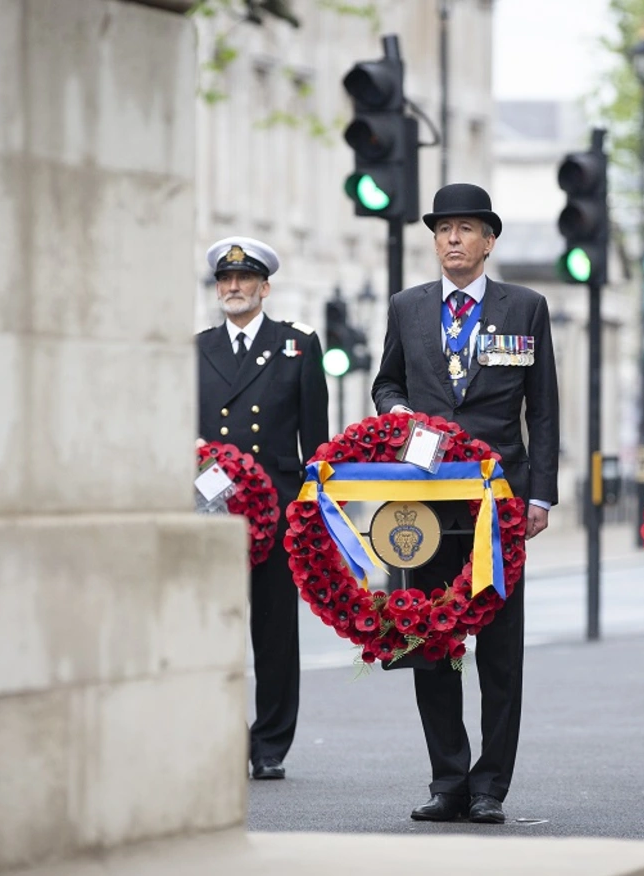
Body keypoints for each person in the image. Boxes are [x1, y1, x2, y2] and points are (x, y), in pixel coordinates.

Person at [371, 184, 560, 824]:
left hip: (499, 500)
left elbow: (545, 408)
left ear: (489, 241)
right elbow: (387, 380)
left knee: (500, 648)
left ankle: (489, 787)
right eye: (443, 228)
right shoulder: (408, 306)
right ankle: (448, 778)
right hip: (425, 501)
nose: (452, 239)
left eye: (465, 228)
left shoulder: (525, 307)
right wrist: (397, 414)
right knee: (430, 636)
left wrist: (540, 492)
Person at [197, 236, 330, 781]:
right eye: (224, 281)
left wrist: (312, 512)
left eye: (243, 280)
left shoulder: (296, 346)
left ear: (264, 287)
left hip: (276, 512)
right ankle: (215, 733)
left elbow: (317, 446)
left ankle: (270, 743)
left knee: (275, 633)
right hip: (210, 508)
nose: (232, 288)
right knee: (212, 629)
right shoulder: (195, 349)